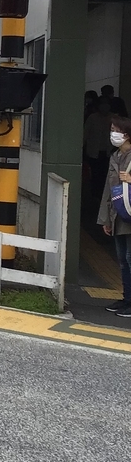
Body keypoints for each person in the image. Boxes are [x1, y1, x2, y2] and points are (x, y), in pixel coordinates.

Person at [98, 115, 131, 317]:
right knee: (122, 259)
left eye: (115, 130)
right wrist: (105, 219)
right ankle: (127, 298)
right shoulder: (115, 156)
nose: (112, 134)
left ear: (126, 134)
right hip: (118, 214)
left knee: (130, 257)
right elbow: (108, 190)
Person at [85, 98, 115, 194]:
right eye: (102, 104)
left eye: (107, 104)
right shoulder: (92, 118)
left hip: (108, 152)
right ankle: (94, 193)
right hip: (94, 152)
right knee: (94, 174)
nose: (104, 106)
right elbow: (85, 133)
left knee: (106, 175)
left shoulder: (113, 118)